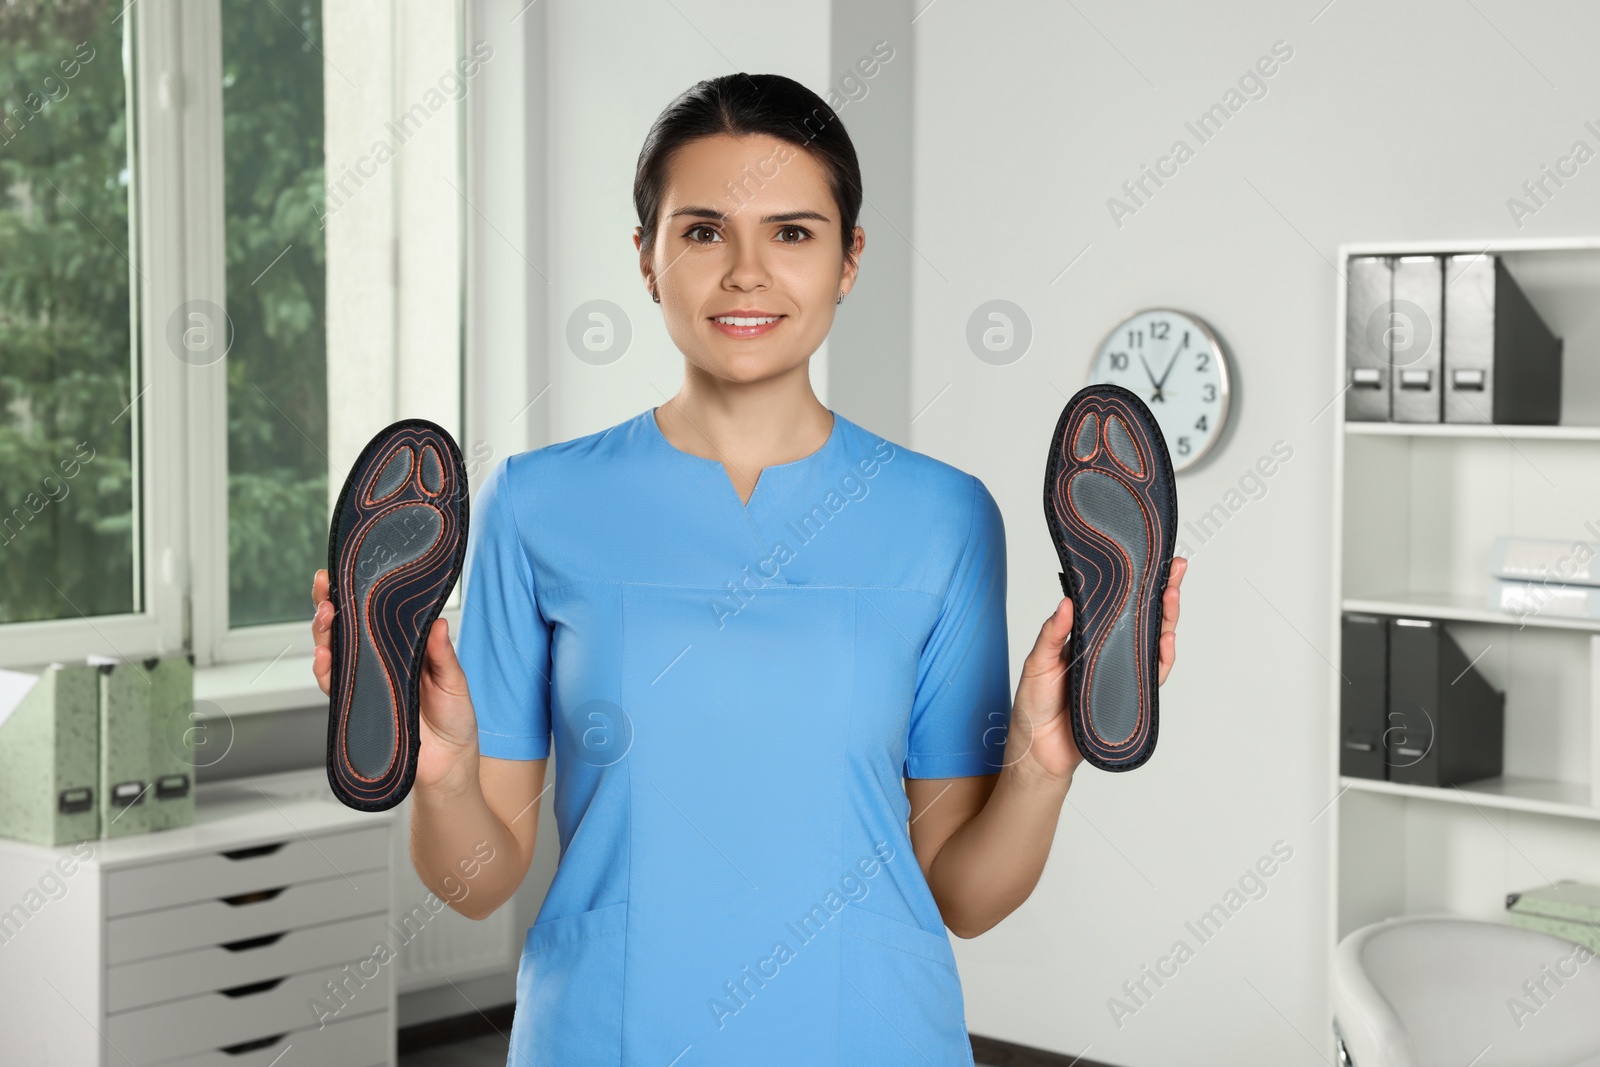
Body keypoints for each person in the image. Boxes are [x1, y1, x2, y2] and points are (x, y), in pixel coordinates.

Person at [311, 71, 1186, 1066]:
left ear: (850, 258)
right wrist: (443, 771)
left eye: (793, 232)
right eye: (700, 230)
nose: (744, 272)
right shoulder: (536, 502)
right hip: (609, 1034)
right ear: (644, 258)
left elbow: (964, 891)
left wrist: (1038, 763)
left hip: (870, 1033)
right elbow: (477, 876)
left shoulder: (943, 516)